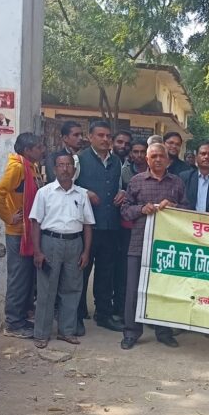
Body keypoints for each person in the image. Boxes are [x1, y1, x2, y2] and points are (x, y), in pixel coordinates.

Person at [120, 143, 189, 349]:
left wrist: (175, 207)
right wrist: (141, 209)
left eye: (161, 156)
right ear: (147, 160)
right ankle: (131, 332)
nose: (158, 160)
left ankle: (164, 332)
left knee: (163, 290)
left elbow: (188, 210)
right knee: (133, 291)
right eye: (154, 156)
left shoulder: (177, 182)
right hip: (138, 244)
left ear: (168, 159)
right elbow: (125, 211)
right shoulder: (136, 181)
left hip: (167, 248)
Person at [29, 153, 95, 349]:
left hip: (75, 244)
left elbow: (88, 225)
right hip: (50, 242)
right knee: (46, 290)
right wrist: (37, 251)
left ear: (74, 170)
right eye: (61, 165)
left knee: (72, 289)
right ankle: (41, 333)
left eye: (68, 165)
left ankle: (67, 331)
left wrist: (86, 252)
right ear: (55, 169)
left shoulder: (81, 195)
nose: (65, 169)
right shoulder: (45, 193)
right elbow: (35, 223)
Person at [74, 120, 126, 334]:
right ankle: (76, 316)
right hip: (86, 227)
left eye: (108, 136)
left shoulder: (117, 161)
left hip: (110, 226)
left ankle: (103, 314)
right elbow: (67, 186)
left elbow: (121, 185)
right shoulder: (79, 160)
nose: (105, 139)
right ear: (90, 137)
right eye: (101, 135)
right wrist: (84, 192)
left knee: (106, 273)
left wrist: (122, 192)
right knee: (81, 272)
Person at [0, 131, 44, 338]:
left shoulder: (31, 167)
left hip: (29, 230)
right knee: (18, 279)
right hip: (18, 233)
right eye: (38, 147)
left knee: (27, 278)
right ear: (28, 150)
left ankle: (21, 317)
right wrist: (8, 217)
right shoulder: (17, 167)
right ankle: (13, 323)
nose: (42, 150)